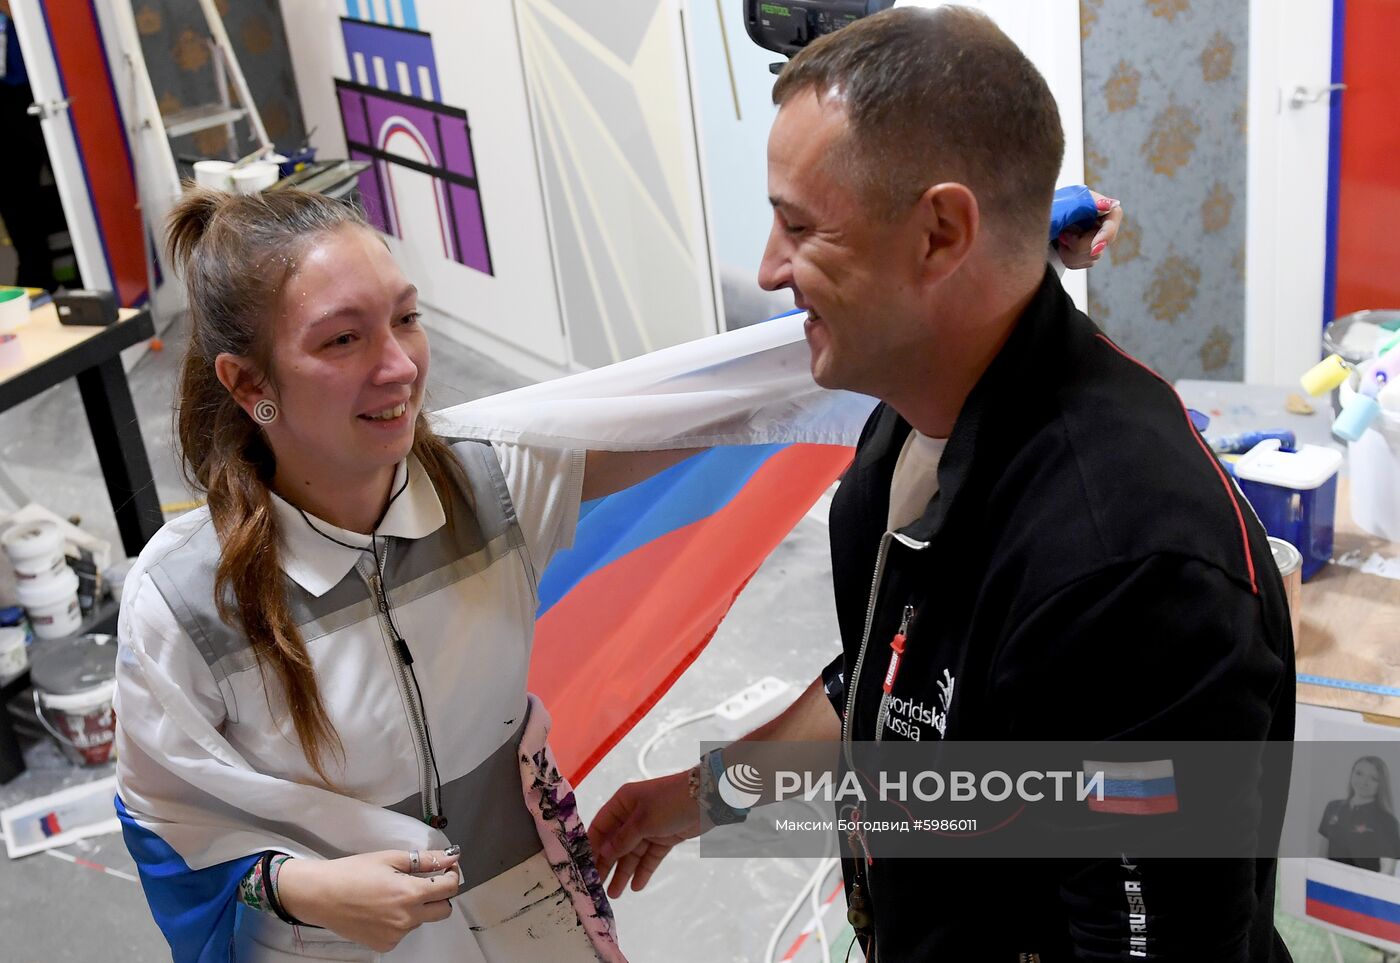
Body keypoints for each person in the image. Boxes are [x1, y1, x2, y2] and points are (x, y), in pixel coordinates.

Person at [589, 7, 1295, 961]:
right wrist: (709, 799)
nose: (766, 269)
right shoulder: (913, 421)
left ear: (940, 233)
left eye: (799, 227)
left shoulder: (1124, 573)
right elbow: (893, 694)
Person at [114, 187, 734, 962]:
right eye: (343, 339)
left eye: (406, 318)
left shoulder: (492, 484)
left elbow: (723, 402)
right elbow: (165, 818)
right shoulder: (182, 599)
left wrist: (840, 341)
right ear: (248, 384)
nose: (401, 366)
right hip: (332, 941)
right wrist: (298, 885)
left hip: (530, 909)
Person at [0, 0, 61, 291]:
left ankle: (98, 278)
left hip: (52, 93)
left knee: (78, 189)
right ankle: (37, 283)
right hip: (5, 106)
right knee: (17, 200)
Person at [1318, 756, 1400, 875]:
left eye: (1373, 778)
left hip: (1361, 889)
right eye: (1359, 773)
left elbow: (1388, 870)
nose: (1364, 782)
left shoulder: (1387, 821)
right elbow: (1322, 853)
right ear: (1352, 774)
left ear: (1381, 784)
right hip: (1329, 883)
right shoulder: (1333, 807)